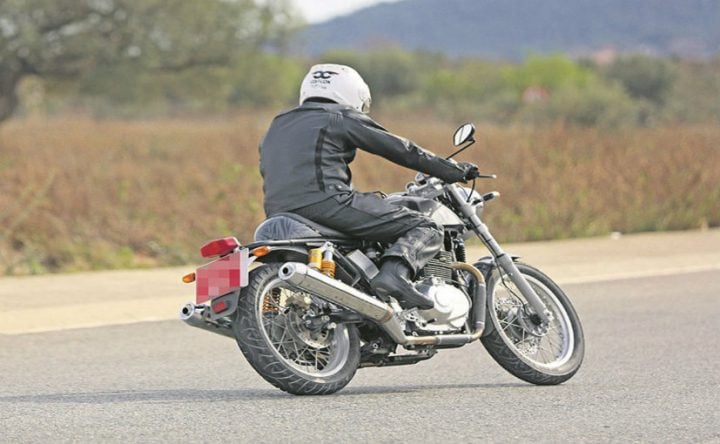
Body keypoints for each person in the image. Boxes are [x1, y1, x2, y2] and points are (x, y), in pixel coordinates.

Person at [259, 64, 478, 310]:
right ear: (351, 93)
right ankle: (395, 276)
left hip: (279, 211)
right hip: (329, 204)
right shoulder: (340, 115)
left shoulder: (279, 123)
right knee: (426, 226)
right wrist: (452, 170)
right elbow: (400, 149)